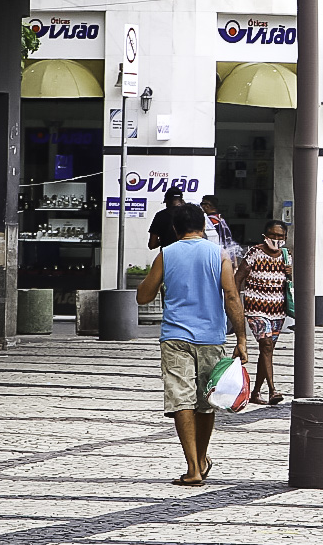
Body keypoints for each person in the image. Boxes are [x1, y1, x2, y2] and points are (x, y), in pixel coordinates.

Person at [135, 203, 247, 487]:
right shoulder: (218, 254)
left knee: (181, 400)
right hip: (212, 337)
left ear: (174, 228)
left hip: (175, 338)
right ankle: (202, 457)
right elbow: (232, 297)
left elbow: (143, 297)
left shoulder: (166, 254)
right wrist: (242, 339)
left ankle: (193, 468)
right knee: (206, 401)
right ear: (204, 227)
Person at [237, 218, 292, 405]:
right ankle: (272, 390)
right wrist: (234, 304)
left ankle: (255, 392)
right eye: (273, 235)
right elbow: (238, 279)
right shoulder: (255, 253)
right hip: (256, 309)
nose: (276, 239)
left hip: (278, 310)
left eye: (280, 236)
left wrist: (291, 272)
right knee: (267, 346)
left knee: (266, 350)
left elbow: (293, 283)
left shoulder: (286, 255)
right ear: (265, 235)